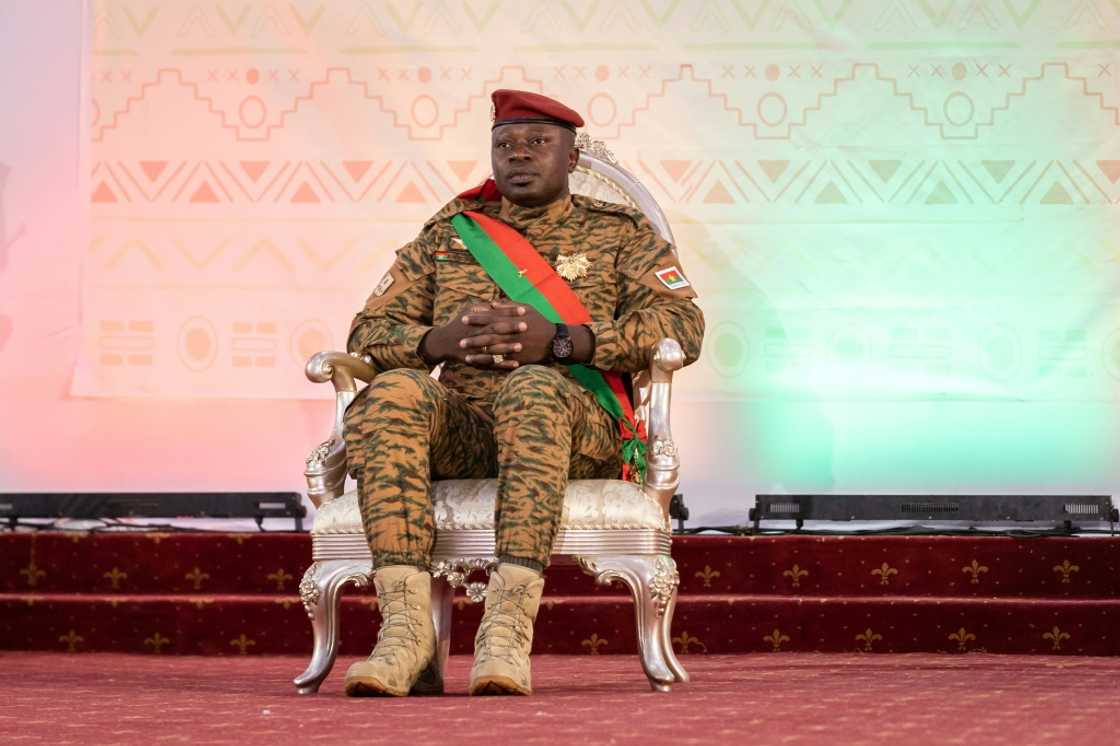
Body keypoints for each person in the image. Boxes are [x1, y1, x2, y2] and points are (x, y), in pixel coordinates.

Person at [341, 89, 704, 697]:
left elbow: (681, 328)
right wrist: (440, 342)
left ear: (571, 157)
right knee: (394, 392)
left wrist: (562, 343)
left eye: (538, 143)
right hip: (468, 430)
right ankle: (404, 636)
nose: (519, 155)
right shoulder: (448, 234)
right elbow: (369, 334)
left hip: (577, 427)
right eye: (505, 144)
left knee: (533, 388)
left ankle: (506, 632)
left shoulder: (619, 234)